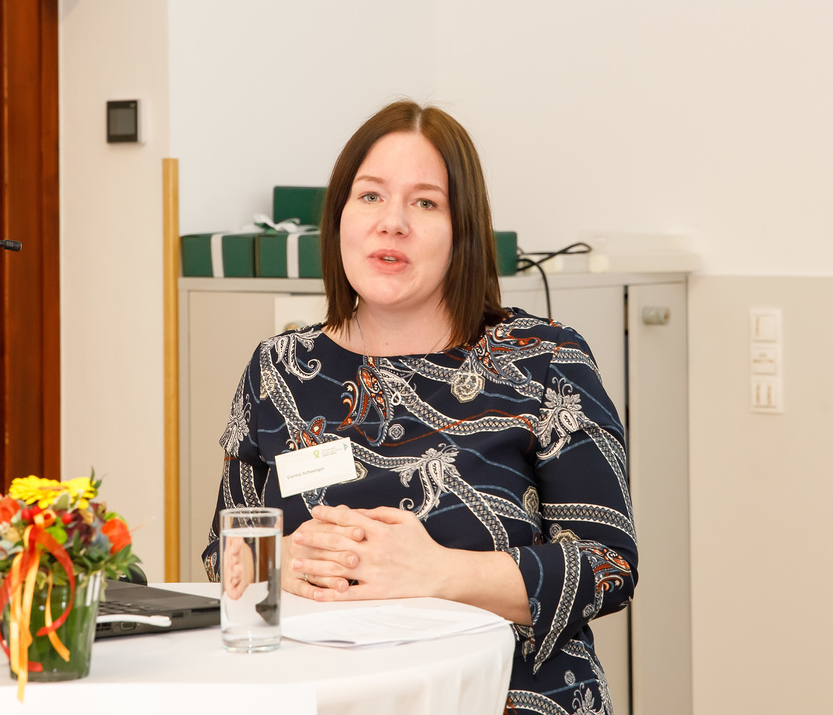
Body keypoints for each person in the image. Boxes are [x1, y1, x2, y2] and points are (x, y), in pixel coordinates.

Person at [203, 100, 636, 714]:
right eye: (371, 196)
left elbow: (608, 565)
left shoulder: (544, 359)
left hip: (505, 696)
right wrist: (280, 562)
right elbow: (224, 553)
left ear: (463, 230)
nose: (393, 223)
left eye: (426, 203)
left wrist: (438, 572)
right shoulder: (278, 369)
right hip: (322, 695)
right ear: (340, 218)